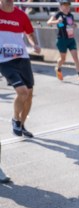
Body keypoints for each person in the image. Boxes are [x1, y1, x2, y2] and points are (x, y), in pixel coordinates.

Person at [0, 0, 41, 139]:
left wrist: (35, 44)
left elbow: (29, 32)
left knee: (29, 95)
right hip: (4, 60)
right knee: (22, 92)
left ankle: (22, 125)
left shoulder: (21, 15)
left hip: (22, 58)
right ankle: (15, 119)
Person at [47, 0, 79, 84]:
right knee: (63, 59)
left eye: (68, 6)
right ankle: (57, 67)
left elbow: (73, 24)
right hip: (61, 39)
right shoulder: (58, 15)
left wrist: (74, 25)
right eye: (64, 6)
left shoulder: (71, 15)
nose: (66, 8)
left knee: (75, 57)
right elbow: (48, 23)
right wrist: (57, 21)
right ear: (60, 7)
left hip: (71, 39)